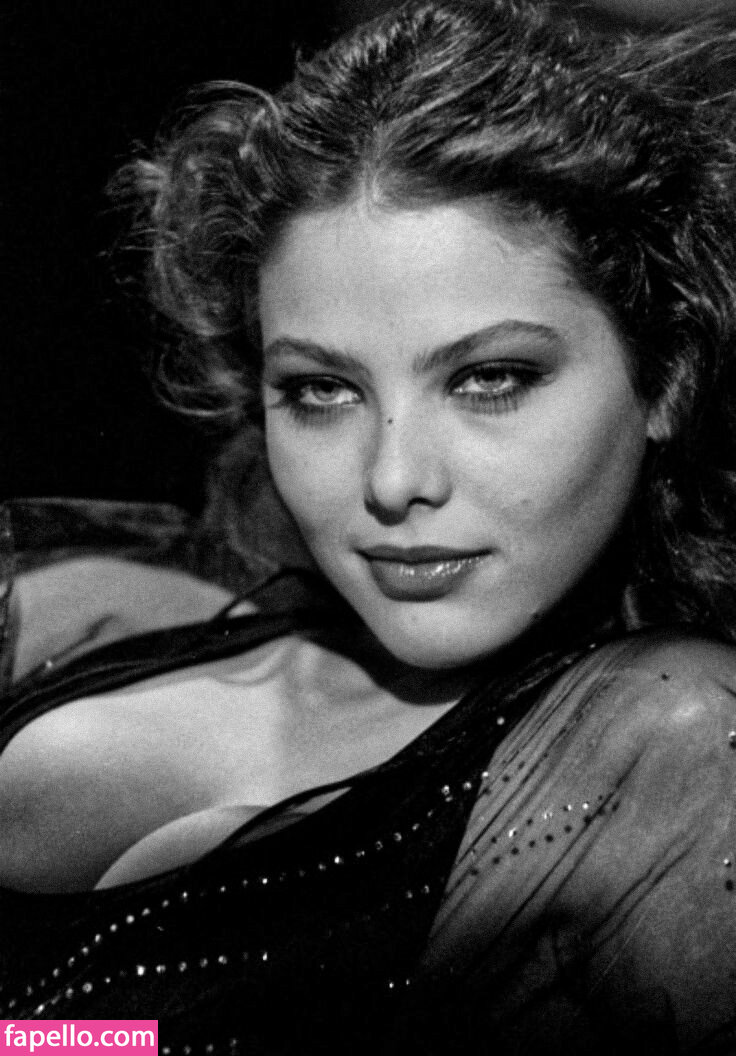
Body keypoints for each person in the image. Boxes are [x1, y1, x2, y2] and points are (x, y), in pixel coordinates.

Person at [2, 0, 736, 1051]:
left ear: (666, 378)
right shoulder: (130, 602)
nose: (392, 481)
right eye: (321, 391)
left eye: (490, 379)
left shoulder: (671, 745)